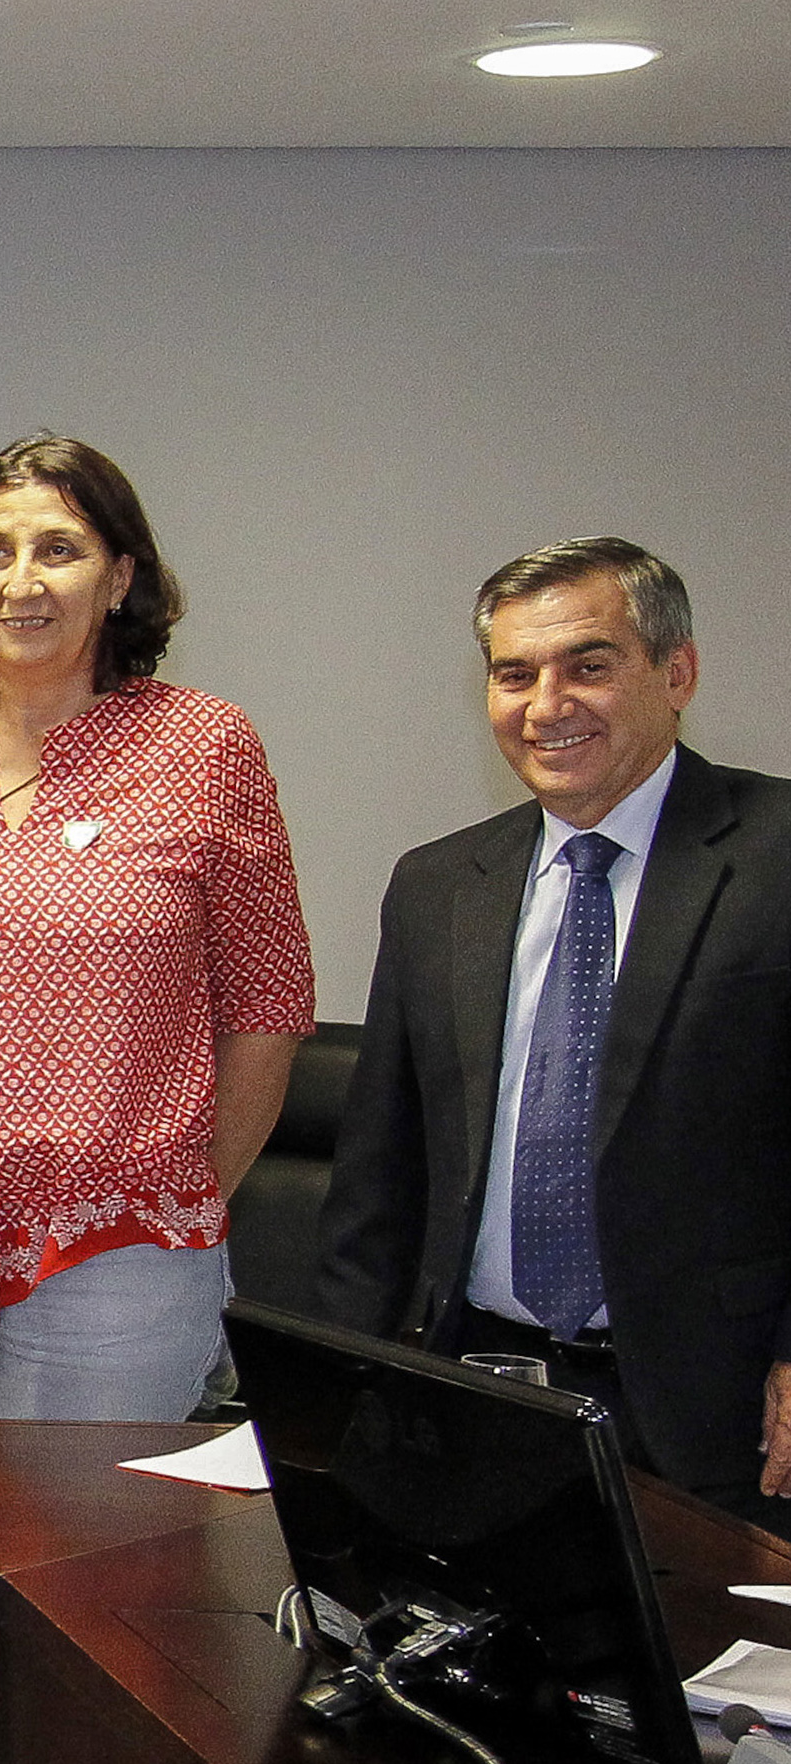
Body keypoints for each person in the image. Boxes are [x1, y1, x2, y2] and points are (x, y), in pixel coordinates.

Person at [0, 434, 311, 1423]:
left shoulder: (204, 744)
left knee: (81, 1567)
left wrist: (185, 1196)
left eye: (57, 550)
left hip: (118, 1259)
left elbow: (267, 999)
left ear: (119, 576)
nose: (21, 582)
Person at [320, 538, 791, 1534]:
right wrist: (341, 1396)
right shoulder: (437, 886)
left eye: (586, 664)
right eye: (511, 674)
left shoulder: (774, 853)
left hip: (724, 1412)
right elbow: (380, 1175)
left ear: (676, 672)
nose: (545, 704)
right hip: (477, 1394)